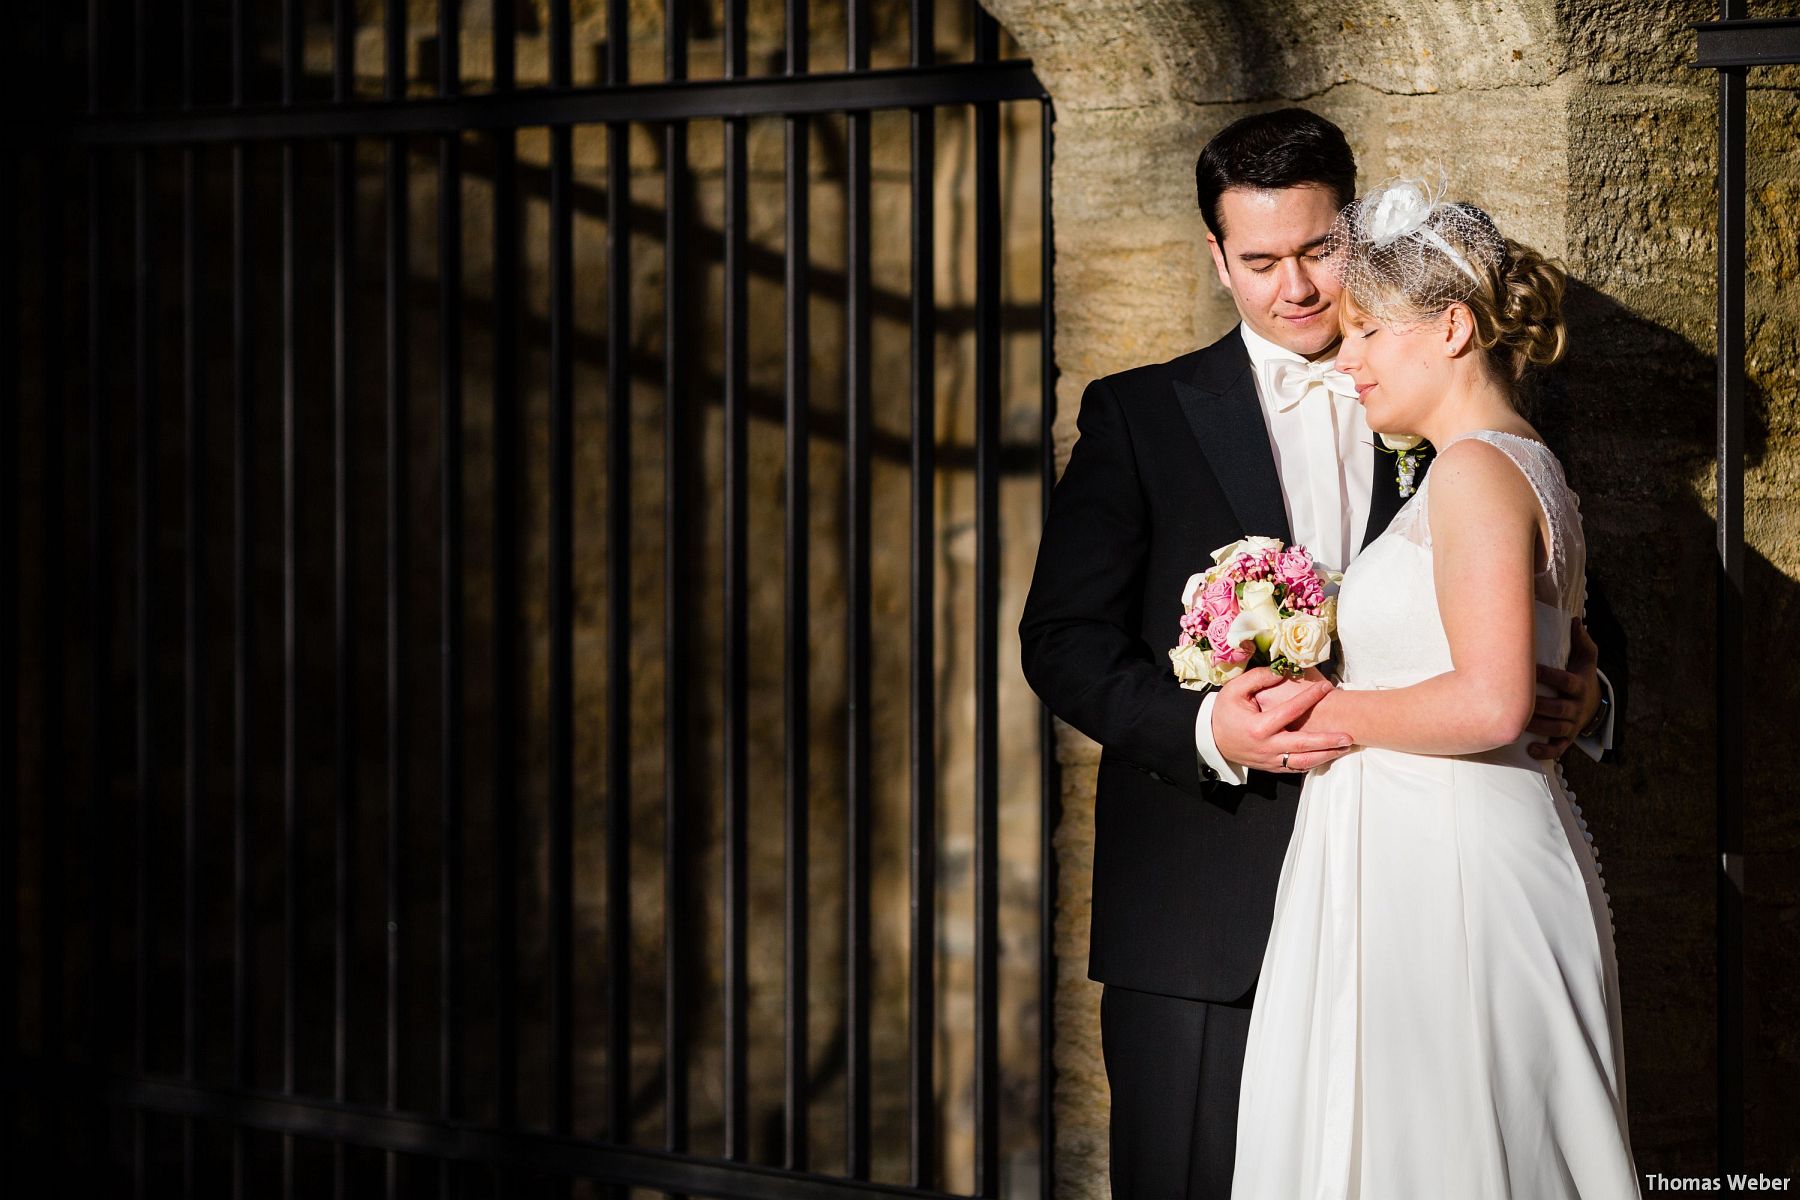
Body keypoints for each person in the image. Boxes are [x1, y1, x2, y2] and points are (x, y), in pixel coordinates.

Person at [1017, 108, 1619, 1199]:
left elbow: (1550, 590)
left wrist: (1590, 693)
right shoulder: (1140, 416)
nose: (1294, 289)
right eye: (1259, 261)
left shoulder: (1440, 403)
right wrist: (1211, 726)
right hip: (1209, 916)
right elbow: (1061, 640)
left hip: (1417, 907)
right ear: (1216, 256)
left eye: (1316, 251)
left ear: (1357, 230)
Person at [1227, 183, 1640, 1198]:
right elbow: (1557, 654)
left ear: (1452, 327)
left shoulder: (1471, 474)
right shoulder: (1523, 467)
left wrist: (1323, 708)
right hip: (1435, 856)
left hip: (1447, 880)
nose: (1347, 357)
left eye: (1367, 330)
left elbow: (1493, 703)